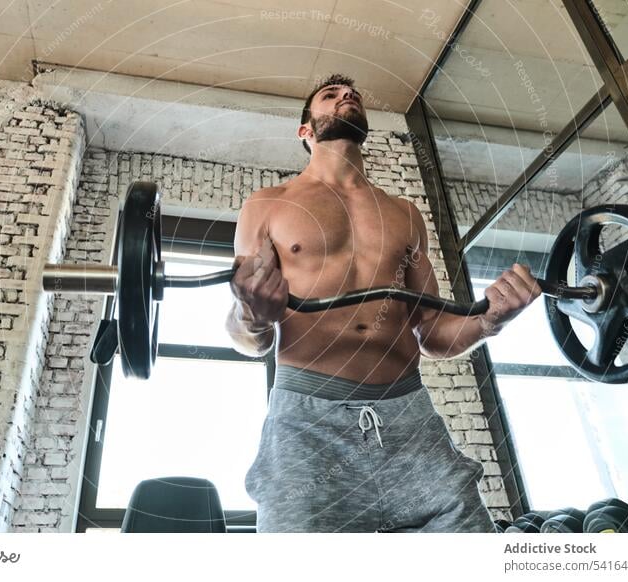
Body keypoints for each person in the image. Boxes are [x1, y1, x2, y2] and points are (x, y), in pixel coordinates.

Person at [225, 73, 541, 533]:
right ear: (306, 131)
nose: (346, 96)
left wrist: (491, 318)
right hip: (308, 421)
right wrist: (252, 314)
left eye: (351, 93)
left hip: (408, 415)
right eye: (330, 96)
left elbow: (434, 335)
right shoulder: (268, 204)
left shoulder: (404, 214)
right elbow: (245, 337)